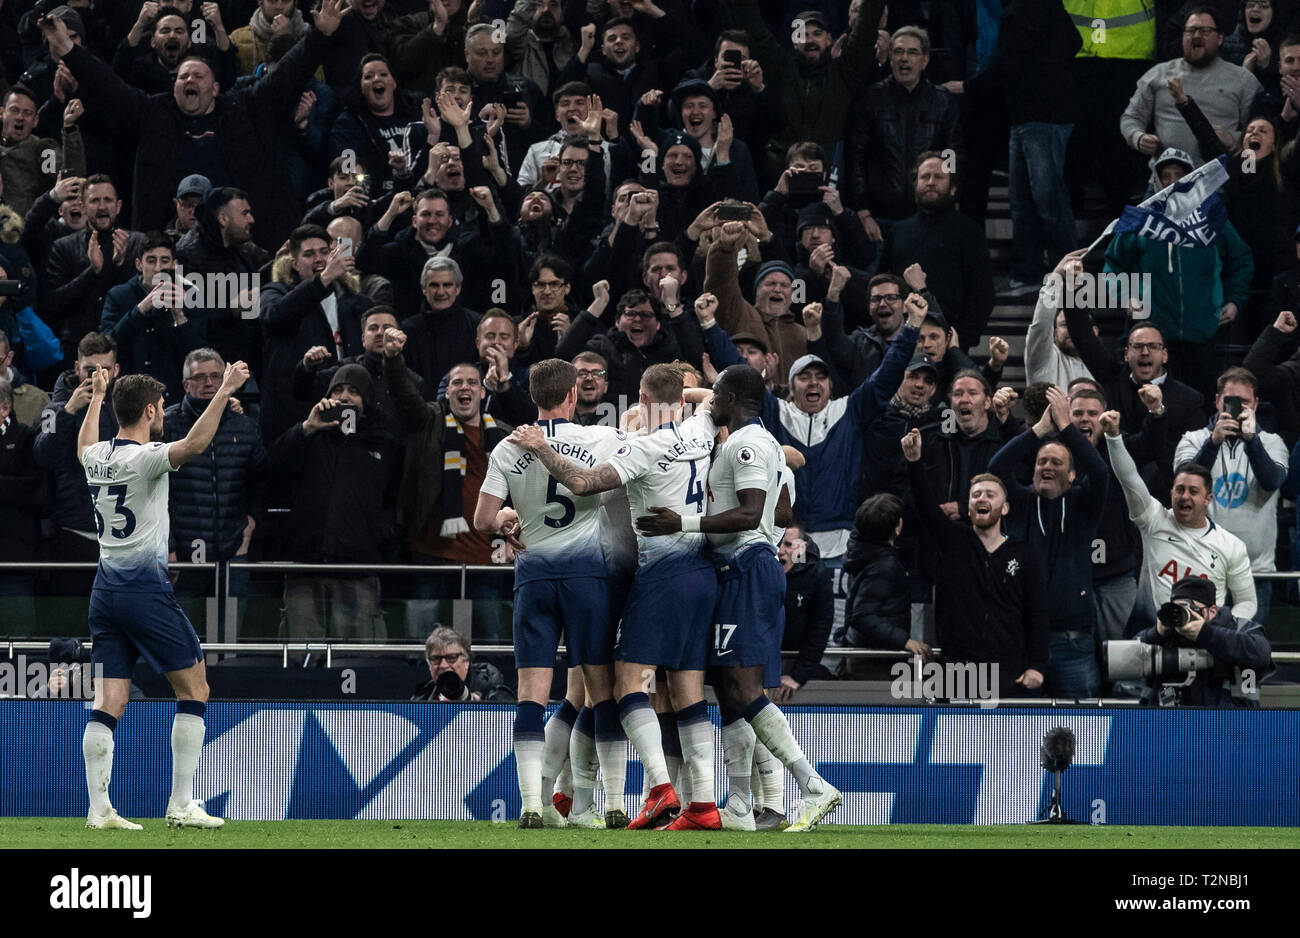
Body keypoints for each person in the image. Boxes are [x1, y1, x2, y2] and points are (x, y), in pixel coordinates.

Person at [509, 362, 720, 830]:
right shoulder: (692, 432)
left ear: (641, 399)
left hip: (628, 573)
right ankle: (578, 796)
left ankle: (571, 796)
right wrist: (686, 395)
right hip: (652, 571)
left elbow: (580, 483)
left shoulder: (632, 443)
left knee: (600, 689)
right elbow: (718, 396)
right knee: (591, 690)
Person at [636, 363, 843, 833]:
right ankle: (740, 805)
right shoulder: (764, 444)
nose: (711, 404)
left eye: (716, 398)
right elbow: (783, 508)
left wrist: (683, 523)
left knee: (745, 690)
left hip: (748, 567)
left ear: (728, 398)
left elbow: (752, 514)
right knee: (730, 691)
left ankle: (813, 786)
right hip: (743, 570)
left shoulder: (748, 444)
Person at [76, 357, 250, 830]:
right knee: (195, 687)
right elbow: (195, 443)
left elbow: (85, 443)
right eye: (160, 407)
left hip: (105, 589)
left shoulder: (98, 458)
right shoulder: (146, 459)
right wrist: (225, 388)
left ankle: (98, 810)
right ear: (151, 412)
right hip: (145, 591)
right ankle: (180, 803)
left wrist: (94, 398)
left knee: (108, 701)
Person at [473, 358, 631, 829]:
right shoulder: (601, 438)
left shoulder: (507, 446)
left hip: (534, 578)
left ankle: (530, 806)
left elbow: (483, 521)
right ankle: (615, 801)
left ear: (533, 396)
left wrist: (507, 520)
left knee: (530, 694)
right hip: (588, 578)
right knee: (601, 691)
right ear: (571, 395)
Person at [902, 427, 1049, 699]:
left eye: (990, 495)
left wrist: (1036, 665)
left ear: (1004, 507)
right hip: (958, 668)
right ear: (968, 507)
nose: (982, 498)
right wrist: (914, 462)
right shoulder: (953, 540)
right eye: (976, 495)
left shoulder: (1023, 553)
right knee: (957, 741)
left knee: (1004, 741)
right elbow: (925, 506)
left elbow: (1037, 613)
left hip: (1008, 669)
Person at [988, 385, 1109, 698]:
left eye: (1057, 463)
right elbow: (996, 469)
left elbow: (1098, 472)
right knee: (1019, 733)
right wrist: (1039, 430)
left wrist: (1067, 427)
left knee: (1083, 733)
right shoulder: (1019, 503)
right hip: (1023, 643)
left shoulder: (1084, 505)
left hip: (1073, 643)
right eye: (1042, 461)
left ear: (1071, 476)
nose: (1047, 467)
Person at [271, 363, 402, 638]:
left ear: (366, 399)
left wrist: (374, 537)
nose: (344, 397)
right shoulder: (309, 435)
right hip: (306, 565)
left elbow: (396, 502)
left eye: (354, 391)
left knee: (356, 656)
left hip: (357, 567)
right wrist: (305, 428)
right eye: (338, 389)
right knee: (301, 656)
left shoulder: (385, 444)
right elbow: (271, 468)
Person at [1103, 410, 1257, 628]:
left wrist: (1223, 627)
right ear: (1171, 493)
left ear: (1208, 498)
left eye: (1193, 491)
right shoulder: (1154, 521)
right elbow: (1129, 478)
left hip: (1205, 642)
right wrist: (1113, 438)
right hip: (1152, 636)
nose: (1185, 496)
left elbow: (1247, 602)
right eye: (1180, 490)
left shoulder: (1231, 546)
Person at [1174, 367, 1288, 625]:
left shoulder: (1271, 442)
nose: (1237, 409)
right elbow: (1184, 484)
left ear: (1256, 404)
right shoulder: (1193, 439)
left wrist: (1252, 440)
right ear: (1217, 401)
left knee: (1248, 651)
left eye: (1244, 402)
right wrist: (1213, 443)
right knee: (1204, 653)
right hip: (1203, 570)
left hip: (1255, 572)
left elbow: (1272, 481)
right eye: (1230, 402)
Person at [163, 347, 266, 572]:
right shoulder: (168, 425)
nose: (208, 383)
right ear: (185, 385)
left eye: (215, 376)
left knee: (232, 608)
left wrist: (249, 527)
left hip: (234, 549)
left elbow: (259, 482)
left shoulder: (245, 425)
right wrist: (168, 547)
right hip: (182, 553)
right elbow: (159, 492)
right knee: (186, 609)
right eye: (199, 377)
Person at [849, 26, 963, 230]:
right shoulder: (870, 99)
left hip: (931, 214)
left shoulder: (943, 102)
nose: (904, 58)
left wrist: (947, 197)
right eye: (898, 52)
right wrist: (863, 212)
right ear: (890, 58)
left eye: (912, 52)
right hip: (879, 217)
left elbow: (953, 154)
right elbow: (856, 156)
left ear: (925, 60)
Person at [879, 152, 993, 351]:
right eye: (925, 177)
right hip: (899, 340)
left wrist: (960, 340)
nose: (931, 182)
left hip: (950, 341)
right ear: (915, 185)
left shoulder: (969, 232)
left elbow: (982, 294)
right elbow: (881, 281)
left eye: (939, 177)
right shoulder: (898, 231)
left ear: (953, 189)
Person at [1121, 7, 1263, 166]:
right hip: (1166, 181)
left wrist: (1233, 139)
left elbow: (1263, 132)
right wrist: (1137, 137)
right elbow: (1131, 117)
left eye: (1205, 31)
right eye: (1191, 30)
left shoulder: (1243, 80)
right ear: (1182, 37)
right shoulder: (1157, 74)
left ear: (1220, 38)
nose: (1196, 36)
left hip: (1219, 182)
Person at [1136, 575, 1272, 707]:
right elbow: (1126, 657)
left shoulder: (1238, 628)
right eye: (1178, 609)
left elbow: (1260, 654)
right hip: (1172, 723)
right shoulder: (1167, 632)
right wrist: (1156, 633)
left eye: (1190, 609)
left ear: (1211, 611)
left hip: (1230, 723)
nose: (1182, 616)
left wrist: (1206, 633)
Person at [841, 493, 925, 667]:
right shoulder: (884, 567)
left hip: (860, 649)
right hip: (874, 659)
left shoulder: (858, 551)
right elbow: (862, 616)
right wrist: (905, 641)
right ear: (898, 527)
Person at [0, 376, 44, 636]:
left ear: (5, 408)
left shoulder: (26, 438)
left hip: (14, 562)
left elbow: (33, 490)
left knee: (19, 651)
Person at [776, 522, 834, 696]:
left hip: (796, 659)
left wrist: (798, 675)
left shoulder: (816, 574)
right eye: (777, 542)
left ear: (802, 547)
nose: (780, 550)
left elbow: (820, 628)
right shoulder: (761, 568)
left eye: (788, 544)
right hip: (761, 662)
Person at [412, 625, 513, 701]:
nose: (443, 665)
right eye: (436, 658)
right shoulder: (422, 696)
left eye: (451, 657)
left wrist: (478, 704)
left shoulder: (488, 683)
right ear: (429, 665)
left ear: (466, 662)